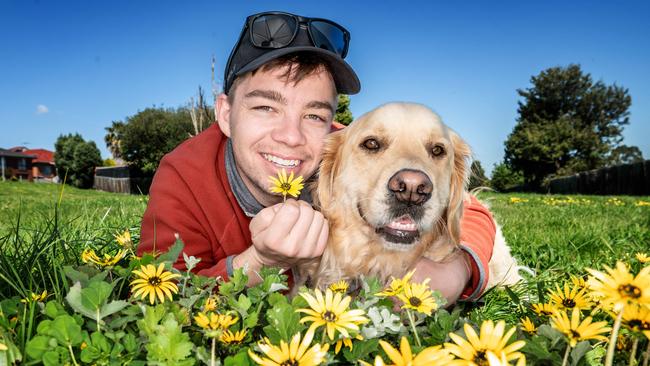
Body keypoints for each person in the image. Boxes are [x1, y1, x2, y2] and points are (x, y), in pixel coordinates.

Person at [138, 11, 495, 304]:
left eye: (314, 115)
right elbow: (159, 295)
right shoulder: (183, 176)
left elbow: (471, 209)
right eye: (265, 107)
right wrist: (262, 261)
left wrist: (459, 269)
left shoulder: (340, 150)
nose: (291, 137)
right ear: (225, 113)